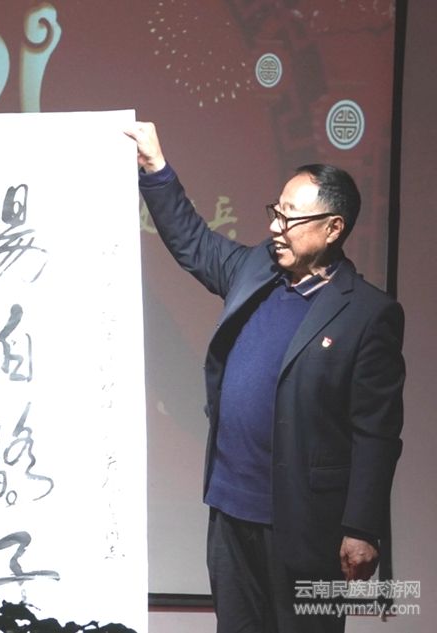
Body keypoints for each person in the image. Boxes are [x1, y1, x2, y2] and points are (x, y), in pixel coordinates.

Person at [126, 123, 405, 632]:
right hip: (231, 511)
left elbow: (377, 432)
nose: (276, 226)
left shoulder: (367, 314)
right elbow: (193, 243)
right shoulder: (257, 269)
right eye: (276, 211)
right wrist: (155, 169)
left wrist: (362, 528)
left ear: (333, 228)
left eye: (290, 217)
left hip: (307, 525)